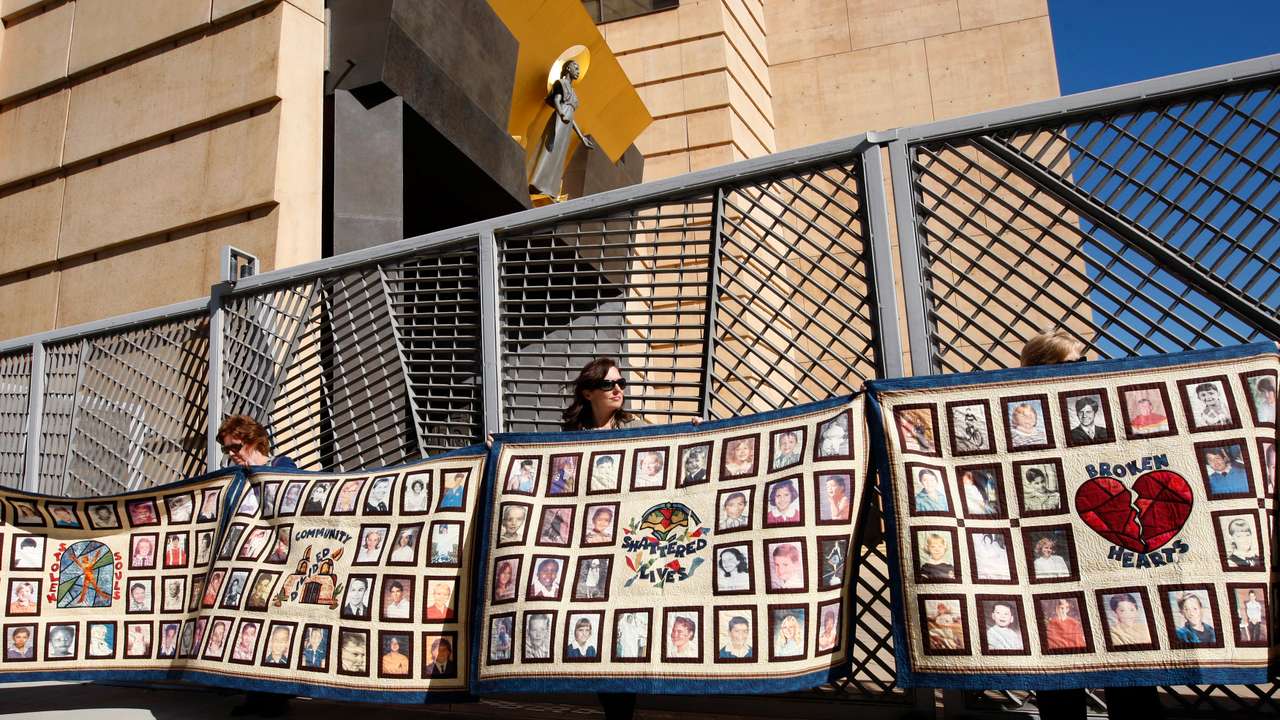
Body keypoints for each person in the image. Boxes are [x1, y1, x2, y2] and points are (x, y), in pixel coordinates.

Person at [1020, 330, 1161, 720]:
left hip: (1105, 543)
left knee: (1127, 648)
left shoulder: (1102, 409)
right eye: (1074, 363)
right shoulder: (1021, 420)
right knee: (1063, 652)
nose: (1085, 369)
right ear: (1042, 368)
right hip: (1054, 549)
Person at [219, 417, 298, 720]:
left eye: (235, 447)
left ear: (253, 440)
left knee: (273, 629)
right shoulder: (236, 475)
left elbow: (292, 508)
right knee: (248, 630)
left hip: (276, 565)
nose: (231, 454)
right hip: (246, 565)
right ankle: (254, 695)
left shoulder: (283, 467)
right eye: (227, 449)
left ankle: (274, 698)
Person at [528, 59, 594, 198]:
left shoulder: (574, 93)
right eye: (575, 68)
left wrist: (581, 138)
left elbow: (571, 118)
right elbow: (557, 101)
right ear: (568, 68)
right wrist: (561, 113)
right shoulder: (561, 84)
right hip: (559, 121)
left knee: (558, 157)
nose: (578, 71)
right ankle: (537, 183)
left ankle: (549, 189)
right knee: (549, 150)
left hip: (566, 126)